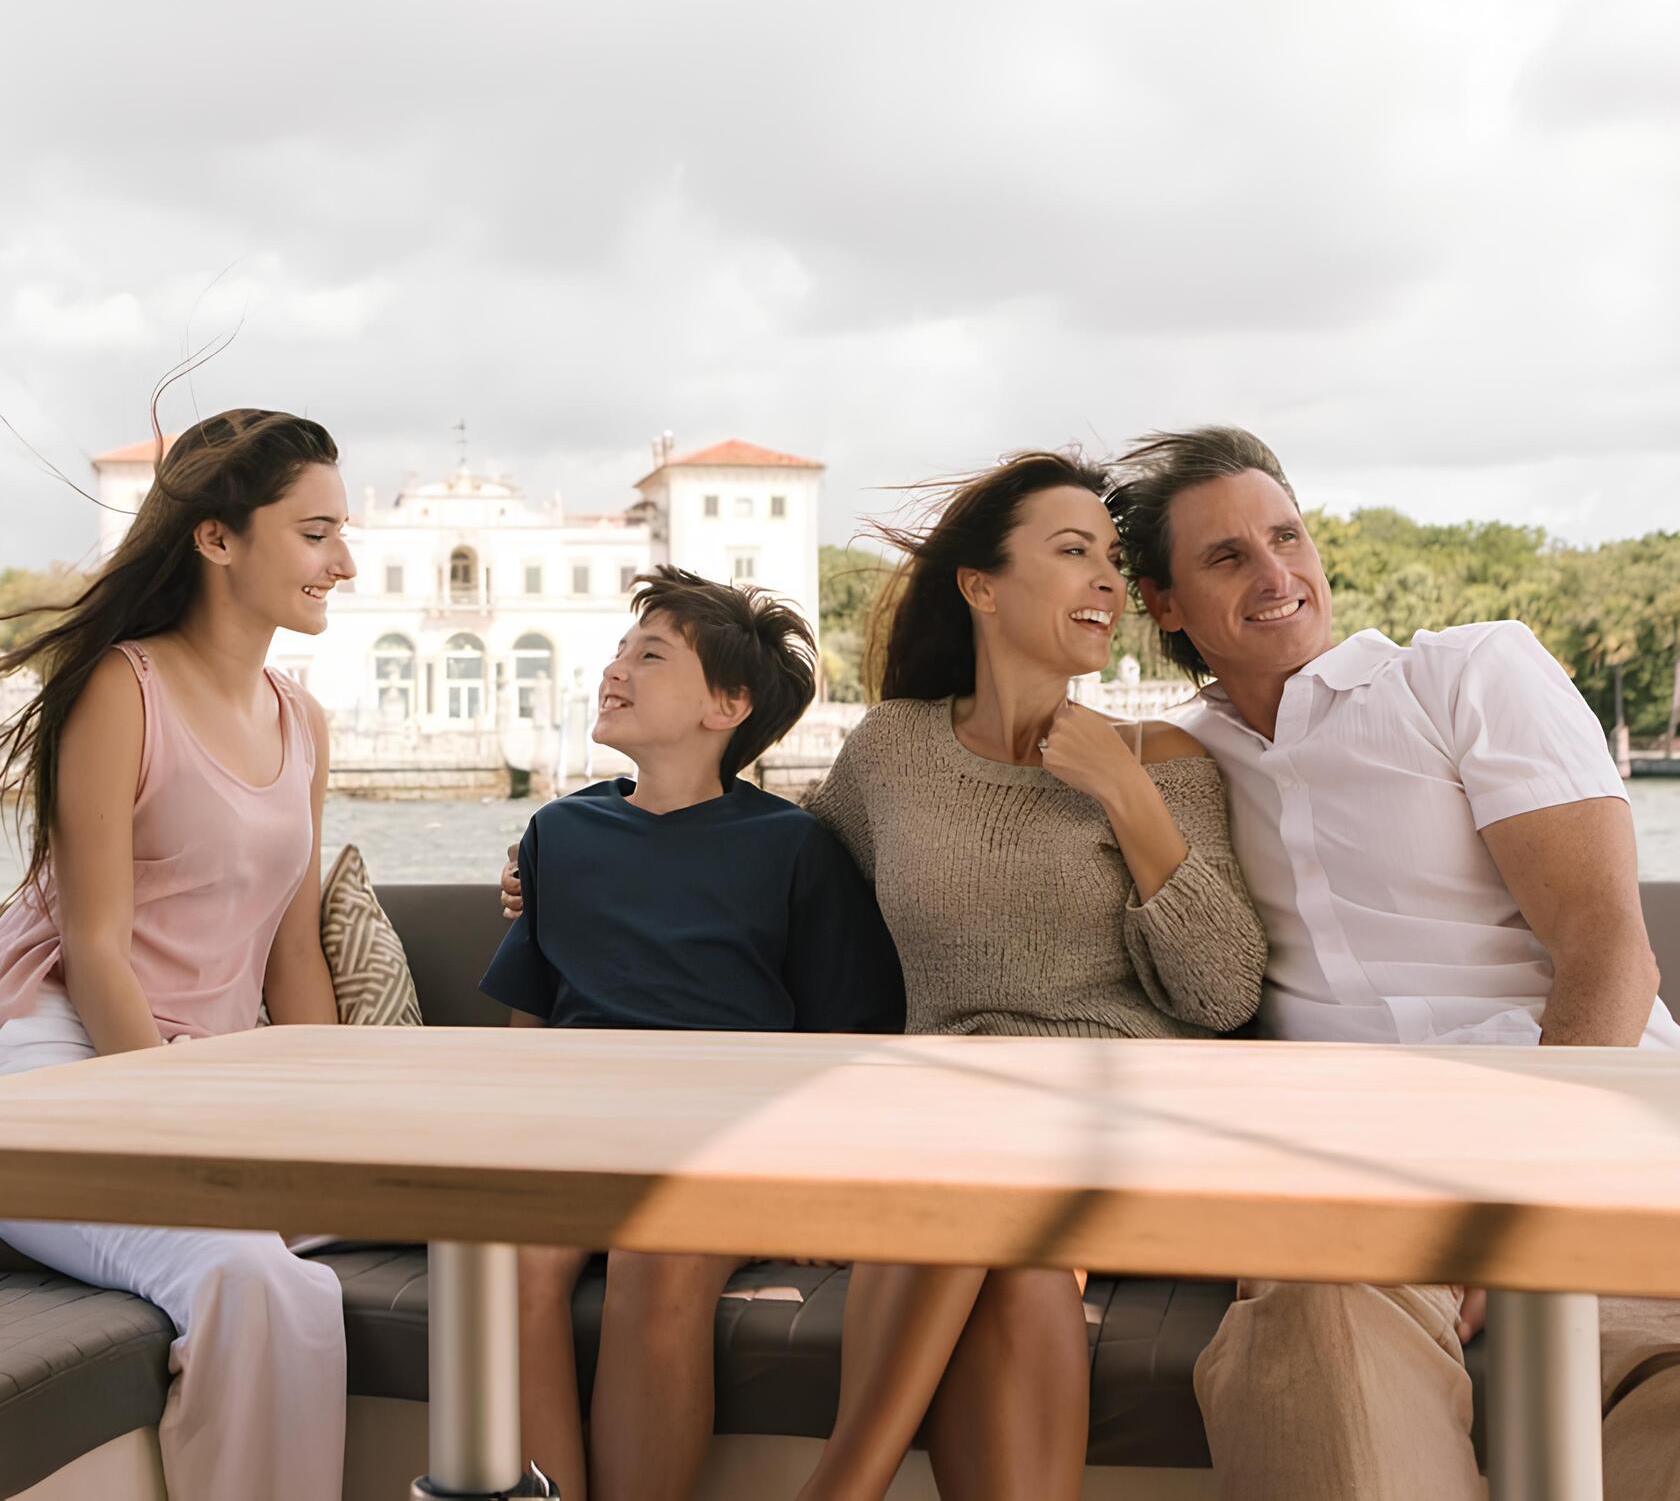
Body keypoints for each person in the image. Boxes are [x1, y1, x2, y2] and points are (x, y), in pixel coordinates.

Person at [502, 455, 1267, 1500]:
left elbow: (1222, 991)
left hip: (1116, 1107)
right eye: (1073, 550)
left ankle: (843, 1483)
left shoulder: (1164, 756)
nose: (1108, 583)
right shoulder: (892, 752)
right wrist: (564, 867)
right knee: (1017, 1274)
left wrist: (1129, 800)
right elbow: (762, 861)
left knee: (964, 1172)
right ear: (981, 585)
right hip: (944, 1113)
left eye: (1114, 563)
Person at [1104, 426, 1680, 1501]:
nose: (1278, 574)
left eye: (1288, 536)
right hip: (1355, 1153)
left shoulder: (1468, 671)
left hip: (1588, 1118)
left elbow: (1609, 948)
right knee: (1314, 1324)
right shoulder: (1175, 761)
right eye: (1228, 557)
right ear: (1165, 603)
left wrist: (1522, 1198)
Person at [0, 409, 356, 1501]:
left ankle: (17, 1229)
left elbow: (292, 953)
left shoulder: (302, 720)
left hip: (198, 1063)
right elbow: (97, 946)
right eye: (314, 533)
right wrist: (179, 1131)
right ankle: (16, 1194)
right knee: (266, 1280)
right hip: (58, 1057)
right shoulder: (122, 687)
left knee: (405, 1194)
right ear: (217, 537)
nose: (343, 562)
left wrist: (341, 1114)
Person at [483, 566, 903, 1501]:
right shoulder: (559, 833)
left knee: (657, 1262)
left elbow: (839, 1040)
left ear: (729, 703)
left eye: (651, 655)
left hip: (721, 1139)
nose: (615, 670)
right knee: (506, 1263)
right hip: (572, 1133)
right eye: (619, 651)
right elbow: (530, 1025)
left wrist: (814, 1189)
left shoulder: (792, 846)